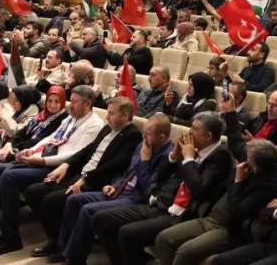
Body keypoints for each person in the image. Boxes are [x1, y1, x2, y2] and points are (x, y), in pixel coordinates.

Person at [0, 86, 106, 257]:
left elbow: (76, 155)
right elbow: (51, 138)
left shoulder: (94, 124)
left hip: (61, 168)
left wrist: (41, 160)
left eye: (74, 102)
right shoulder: (71, 118)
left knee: (9, 177)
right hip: (45, 159)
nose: (70, 105)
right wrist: (32, 150)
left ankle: (10, 237)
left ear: (87, 103)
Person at [91, 111, 234, 265]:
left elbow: (198, 189)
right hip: (161, 202)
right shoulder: (192, 148)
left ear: (208, 136)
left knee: (127, 233)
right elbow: (160, 176)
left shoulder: (220, 156)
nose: (189, 132)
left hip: (182, 214)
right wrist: (174, 155)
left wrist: (188, 158)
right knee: (100, 219)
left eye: (194, 128)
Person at [26, 97, 143, 258]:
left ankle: (61, 244)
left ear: (125, 116)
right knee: (34, 192)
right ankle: (56, 237)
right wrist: (66, 164)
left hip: (97, 181)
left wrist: (85, 178)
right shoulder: (107, 128)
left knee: (51, 201)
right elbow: (88, 150)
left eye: (111, 114)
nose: (107, 117)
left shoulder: (132, 135)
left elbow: (115, 165)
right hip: (80, 174)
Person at [55, 113, 174, 265]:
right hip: (120, 190)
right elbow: (127, 171)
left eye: (148, 134)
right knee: (74, 199)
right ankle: (62, 250)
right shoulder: (144, 144)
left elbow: (148, 189)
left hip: (135, 198)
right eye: (143, 132)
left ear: (162, 138)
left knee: (88, 210)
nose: (143, 136)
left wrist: (145, 160)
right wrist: (113, 185)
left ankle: (74, 260)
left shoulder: (167, 157)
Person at [154, 139, 277, 265]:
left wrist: (238, 182)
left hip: (227, 230)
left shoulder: (270, 185)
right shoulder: (248, 165)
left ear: (255, 166)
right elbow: (235, 141)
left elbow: (237, 211)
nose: (244, 158)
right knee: (163, 238)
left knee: (185, 251)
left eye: (248, 157)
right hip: (209, 218)